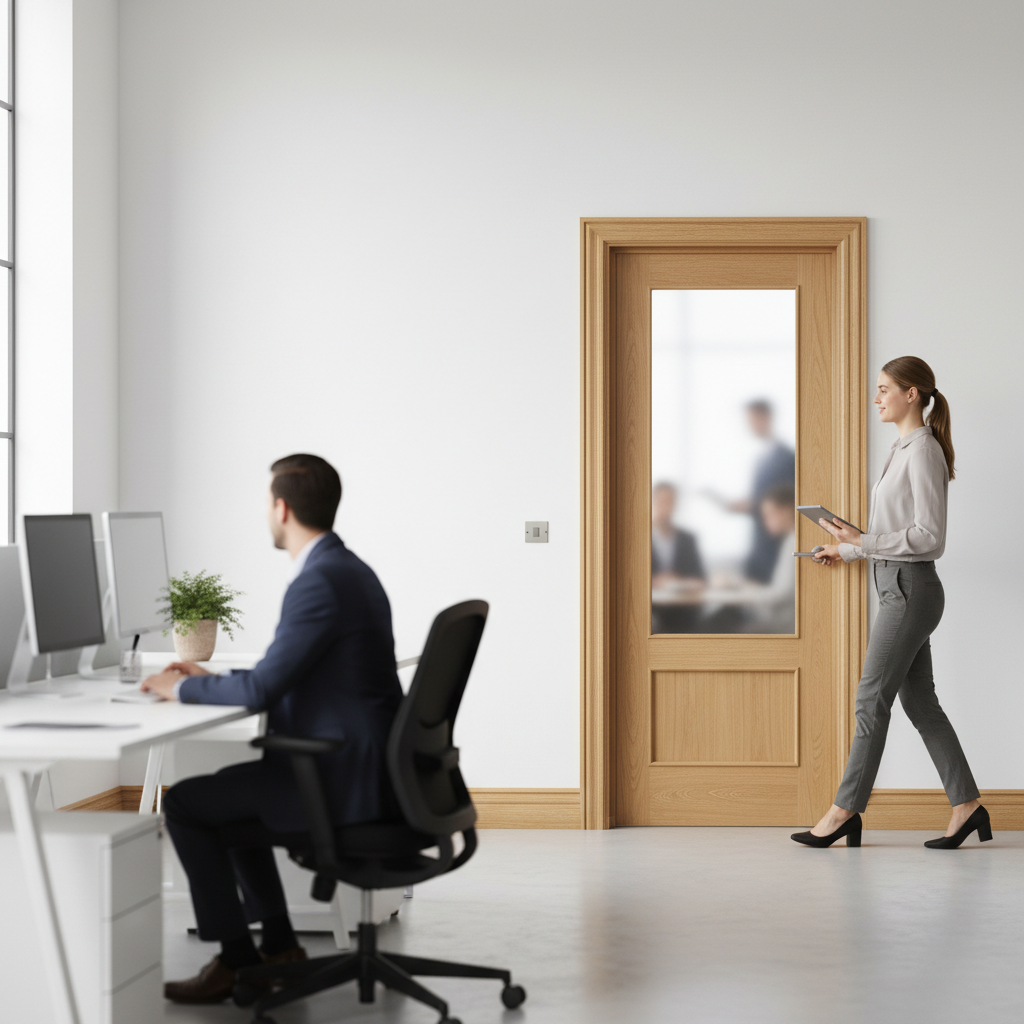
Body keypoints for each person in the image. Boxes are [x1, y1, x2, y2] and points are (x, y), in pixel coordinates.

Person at [142, 453, 404, 1002]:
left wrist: (181, 687)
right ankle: (279, 950)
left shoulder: (319, 582)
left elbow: (264, 690)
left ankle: (238, 960)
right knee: (230, 804)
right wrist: (213, 677)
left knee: (188, 805)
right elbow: (281, 672)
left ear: (281, 508)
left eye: (267, 502)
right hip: (365, 768)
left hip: (339, 778)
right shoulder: (345, 569)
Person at [791, 358, 988, 850]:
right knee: (920, 702)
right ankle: (967, 806)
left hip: (909, 589)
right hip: (895, 587)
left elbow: (929, 537)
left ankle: (844, 811)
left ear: (913, 394)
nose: (877, 398)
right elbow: (889, 536)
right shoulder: (902, 448)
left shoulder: (922, 451)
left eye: (884, 390)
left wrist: (865, 540)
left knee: (869, 698)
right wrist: (846, 547)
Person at [713, 400, 795, 583]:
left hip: (775, 545)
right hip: (758, 543)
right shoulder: (761, 459)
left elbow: (787, 500)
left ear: (765, 418)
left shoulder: (787, 457)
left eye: (751, 420)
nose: (748, 425)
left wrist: (752, 505)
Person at [651, 482, 706, 633]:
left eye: (670, 501)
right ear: (653, 503)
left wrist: (682, 581)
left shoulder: (688, 539)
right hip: (650, 610)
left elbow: (700, 576)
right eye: (662, 501)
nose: (666, 507)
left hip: (683, 609)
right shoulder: (636, 537)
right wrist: (655, 581)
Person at [743, 482, 796, 634]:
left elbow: (782, 594)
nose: (765, 522)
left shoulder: (794, 541)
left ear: (787, 510)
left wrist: (749, 592)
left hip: (783, 624)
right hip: (779, 618)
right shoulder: (789, 540)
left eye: (769, 514)